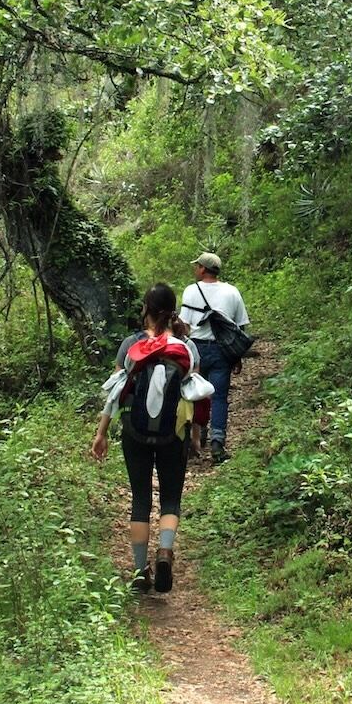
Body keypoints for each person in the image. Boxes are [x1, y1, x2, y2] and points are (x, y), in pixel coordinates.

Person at [91, 283, 198, 594]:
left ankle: (140, 571)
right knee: (170, 499)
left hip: (134, 433)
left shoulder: (130, 345)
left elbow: (115, 392)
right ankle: (165, 551)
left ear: (146, 309)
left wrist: (101, 433)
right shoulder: (186, 346)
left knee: (140, 499)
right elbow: (193, 395)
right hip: (173, 433)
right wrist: (194, 436)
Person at [179, 252, 249, 465]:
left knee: (195, 394)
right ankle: (218, 443)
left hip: (197, 350)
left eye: (197, 265)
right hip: (222, 351)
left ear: (202, 269)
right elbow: (241, 326)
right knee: (218, 396)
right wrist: (237, 356)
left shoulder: (191, 291)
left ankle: (196, 438)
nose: (195, 269)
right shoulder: (232, 292)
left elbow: (184, 326)